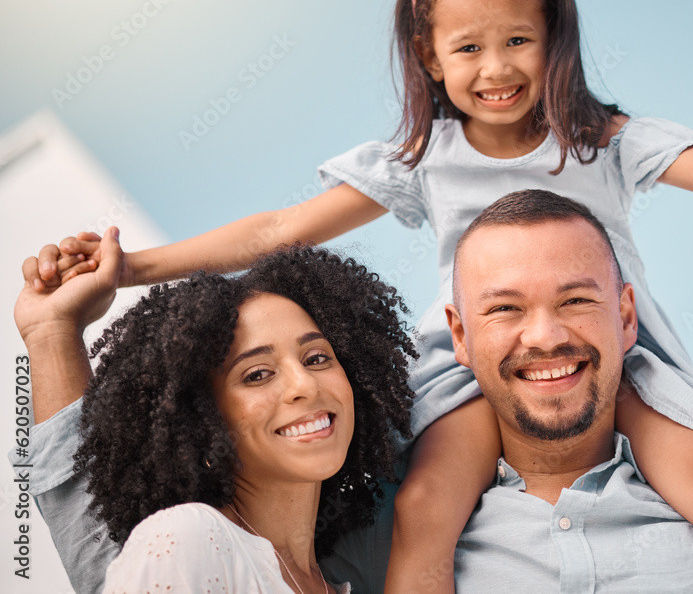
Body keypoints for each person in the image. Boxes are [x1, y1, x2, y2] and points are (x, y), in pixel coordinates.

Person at [23, 0, 693, 591]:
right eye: (467, 47)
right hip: (478, 372)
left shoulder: (602, 139)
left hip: (614, 361)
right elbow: (276, 232)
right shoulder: (424, 160)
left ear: (556, 41)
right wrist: (134, 266)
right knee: (427, 499)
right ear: (427, 57)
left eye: (518, 39)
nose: (496, 67)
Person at [11, 130, 693, 593]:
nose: (543, 336)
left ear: (623, 313)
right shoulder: (379, 522)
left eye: (574, 300)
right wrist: (52, 339)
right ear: (458, 331)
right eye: (504, 309)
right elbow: (140, 570)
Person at [13, 244, 414, 593]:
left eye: (317, 358)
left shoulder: (341, 578)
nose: (305, 385)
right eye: (257, 374)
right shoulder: (187, 540)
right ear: (199, 423)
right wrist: (51, 333)